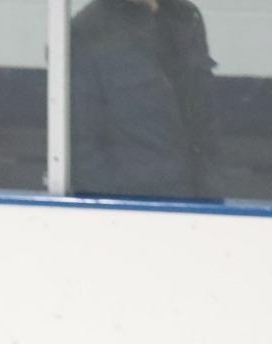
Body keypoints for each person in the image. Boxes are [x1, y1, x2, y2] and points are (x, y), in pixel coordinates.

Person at [69, 0, 221, 200]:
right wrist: (119, 214)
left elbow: (205, 119)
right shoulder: (87, 31)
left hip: (197, 203)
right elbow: (83, 148)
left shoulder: (185, 16)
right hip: (129, 208)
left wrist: (211, 196)